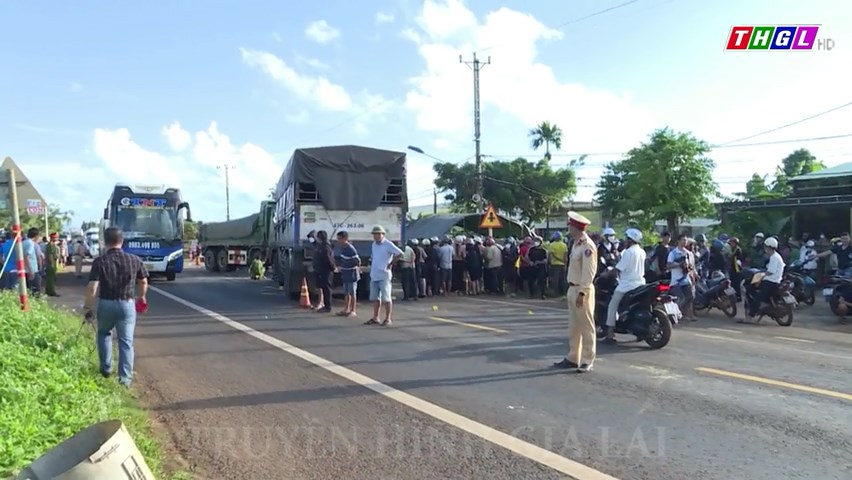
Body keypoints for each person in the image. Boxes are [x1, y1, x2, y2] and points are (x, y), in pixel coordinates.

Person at [83, 227, 149, 387]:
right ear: (122, 241)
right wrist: (142, 296)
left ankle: (106, 368)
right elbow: (143, 280)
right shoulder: (134, 260)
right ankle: (125, 379)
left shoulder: (100, 261)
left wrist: (88, 307)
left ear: (105, 242)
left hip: (106, 303)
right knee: (126, 341)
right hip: (127, 304)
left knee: (104, 333)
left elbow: (92, 286)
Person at [553, 212, 598, 373]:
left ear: (576, 227)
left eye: (570, 226)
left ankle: (587, 360)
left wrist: (582, 293)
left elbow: (589, 272)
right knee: (574, 327)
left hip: (581, 289)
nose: (569, 229)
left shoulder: (587, 246)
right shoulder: (576, 244)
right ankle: (573, 357)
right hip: (572, 287)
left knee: (586, 327)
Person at [603, 228, 646, 343]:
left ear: (630, 240)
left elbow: (618, 268)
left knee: (612, 306)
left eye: (626, 239)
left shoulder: (628, 252)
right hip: (640, 284)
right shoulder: (642, 252)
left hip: (627, 285)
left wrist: (607, 274)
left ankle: (610, 335)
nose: (624, 241)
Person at [364, 225, 403, 326]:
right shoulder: (374, 244)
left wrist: (391, 263)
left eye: (378, 234)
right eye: (374, 234)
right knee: (375, 298)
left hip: (384, 274)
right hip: (375, 274)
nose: (376, 236)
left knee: (386, 298)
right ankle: (375, 317)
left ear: (382, 234)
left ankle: (388, 318)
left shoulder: (388, 244)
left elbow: (400, 253)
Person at [746, 237, 783, 320]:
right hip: (775, 281)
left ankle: (750, 316)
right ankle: (765, 304)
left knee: (757, 297)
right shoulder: (776, 256)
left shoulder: (774, 257)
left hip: (770, 282)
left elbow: (771, 271)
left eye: (766, 247)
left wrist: (762, 274)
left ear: (768, 247)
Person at [667, 234, 696, 321]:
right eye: (683, 240)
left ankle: (682, 313)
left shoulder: (689, 253)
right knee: (680, 298)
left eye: (686, 240)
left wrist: (692, 273)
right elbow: (668, 265)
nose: (685, 242)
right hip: (676, 281)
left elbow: (692, 267)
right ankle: (676, 315)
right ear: (678, 241)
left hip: (686, 279)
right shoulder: (673, 253)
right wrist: (679, 264)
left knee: (690, 297)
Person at [336, 231, 360, 317]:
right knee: (346, 292)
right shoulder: (342, 248)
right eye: (338, 239)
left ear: (345, 238)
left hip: (352, 273)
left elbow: (357, 261)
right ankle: (346, 309)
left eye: (340, 239)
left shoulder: (351, 249)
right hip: (345, 273)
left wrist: (355, 268)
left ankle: (353, 310)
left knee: (352, 292)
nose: (338, 241)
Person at [312, 230, 336, 313]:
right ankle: (324, 305)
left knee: (327, 289)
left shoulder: (325, 247)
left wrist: (333, 267)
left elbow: (329, 259)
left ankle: (327, 307)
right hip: (321, 270)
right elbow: (311, 239)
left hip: (326, 270)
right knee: (323, 288)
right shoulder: (320, 245)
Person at [22, 228, 41, 296]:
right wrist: (30, 270)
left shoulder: (23, 242)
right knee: (36, 289)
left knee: (28, 289)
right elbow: (26, 256)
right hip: (32, 269)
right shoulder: (30, 243)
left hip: (25, 269)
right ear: (36, 236)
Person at [547, 232, 568, 296]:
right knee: (563, 279)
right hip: (563, 264)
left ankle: (555, 292)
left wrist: (549, 263)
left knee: (555, 279)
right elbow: (565, 255)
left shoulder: (552, 245)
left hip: (554, 264)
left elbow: (550, 256)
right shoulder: (564, 245)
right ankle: (563, 292)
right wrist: (565, 264)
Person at [44, 232, 61, 297]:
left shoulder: (53, 245)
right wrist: (52, 265)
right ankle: (51, 292)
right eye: (56, 237)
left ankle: (49, 291)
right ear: (52, 238)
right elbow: (50, 256)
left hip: (53, 263)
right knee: (51, 279)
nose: (57, 238)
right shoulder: (50, 245)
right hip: (51, 264)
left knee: (51, 279)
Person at [728, 237, 744, 301]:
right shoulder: (733, 249)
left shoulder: (738, 250)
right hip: (732, 268)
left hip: (737, 269)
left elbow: (738, 260)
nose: (731, 244)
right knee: (732, 283)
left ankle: (738, 297)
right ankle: (733, 297)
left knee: (737, 284)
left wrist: (737, 270)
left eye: (732, 242)